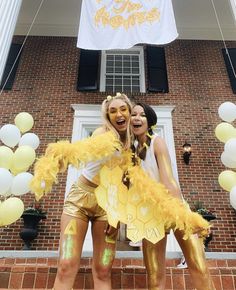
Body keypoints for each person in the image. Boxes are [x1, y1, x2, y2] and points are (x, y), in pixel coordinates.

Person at [51, 93, 132, 290]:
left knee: (104, 269)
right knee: (66, 264)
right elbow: (84, 152)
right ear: (108, 116)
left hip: (108, 205)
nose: (118, 114)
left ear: (130, 112)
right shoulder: (101, 135)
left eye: (123, 109)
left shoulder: (136, 145)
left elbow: (129, 184)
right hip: (80, 199)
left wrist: (117, 215)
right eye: (112, 111)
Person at [130, 102, 215, 290]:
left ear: (149, 121)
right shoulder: (131, 150)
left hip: (174, 207)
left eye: (142, 115)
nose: (136, 118)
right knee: (154, 277)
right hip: (150, 215)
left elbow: (169, 181)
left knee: (199, 267)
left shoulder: (157, 141)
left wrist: (183, 216)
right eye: (133, 114)